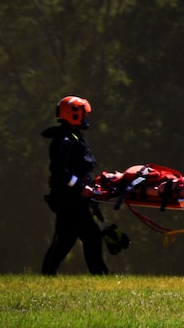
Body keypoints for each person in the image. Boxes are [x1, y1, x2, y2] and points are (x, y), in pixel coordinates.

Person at [41, 96, 108, 275]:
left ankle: (48, 273)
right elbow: (59, 171)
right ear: (74, 115)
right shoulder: (64, 140)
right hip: (69, 200)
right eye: (84, 115)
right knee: (89, 236)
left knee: (68, 238)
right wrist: (80, 187)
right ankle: (100, 274)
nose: (86, 119)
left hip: (75, 199)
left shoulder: (74, 137)